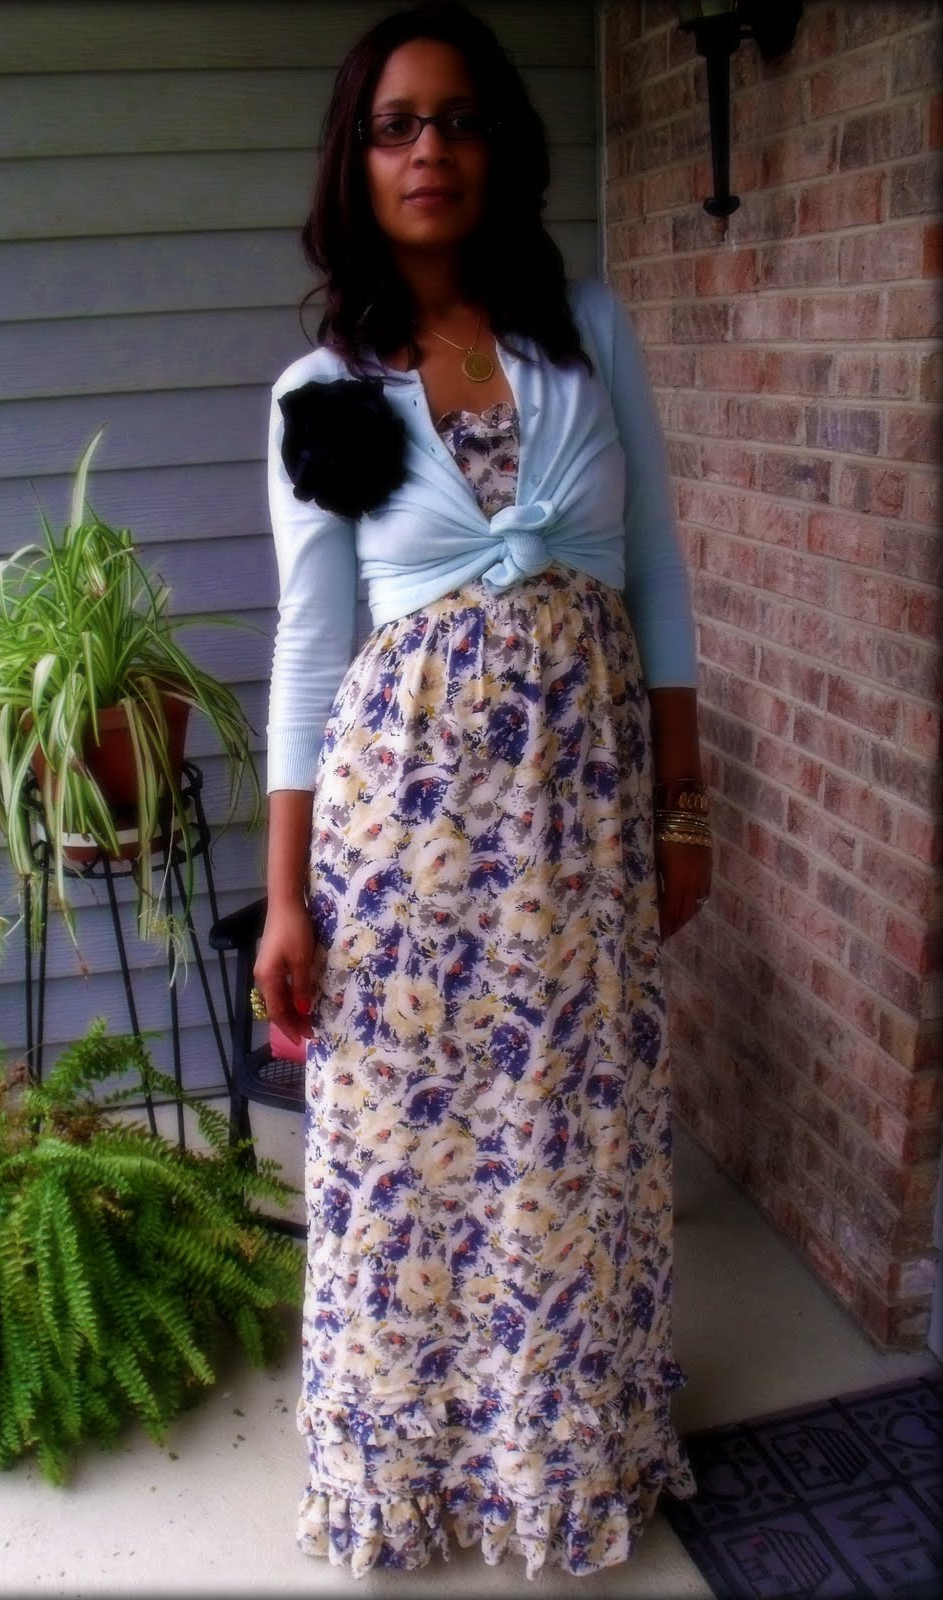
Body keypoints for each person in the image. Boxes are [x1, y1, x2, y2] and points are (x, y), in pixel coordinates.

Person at [253, 0, 710, 1579]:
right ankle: (411, 1470)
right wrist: (286, 895)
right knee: (407, 1164)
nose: (428, 149)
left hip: (579, 836)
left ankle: (561, 1450)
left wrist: (683, 804)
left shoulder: (585, 333)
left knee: (569, 1142)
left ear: (497, 146)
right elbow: (311, 646)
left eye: (454, 119)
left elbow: (654, 575)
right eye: (395, 126)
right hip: (402, 849)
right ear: (358, 160)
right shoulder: (324, 387)